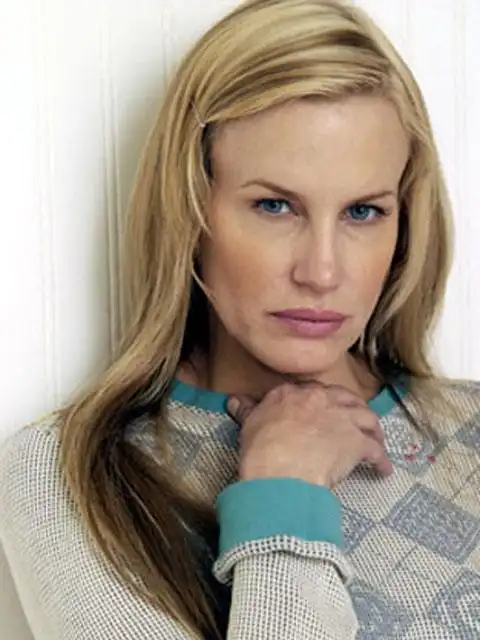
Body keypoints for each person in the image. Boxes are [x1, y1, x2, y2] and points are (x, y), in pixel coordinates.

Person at [1, 0, 479, 638]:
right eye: (275, 206)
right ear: (190, 210)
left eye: (363, 212)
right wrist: (284, 494)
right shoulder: (69, 475)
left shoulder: (471, 433)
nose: (322, 271)